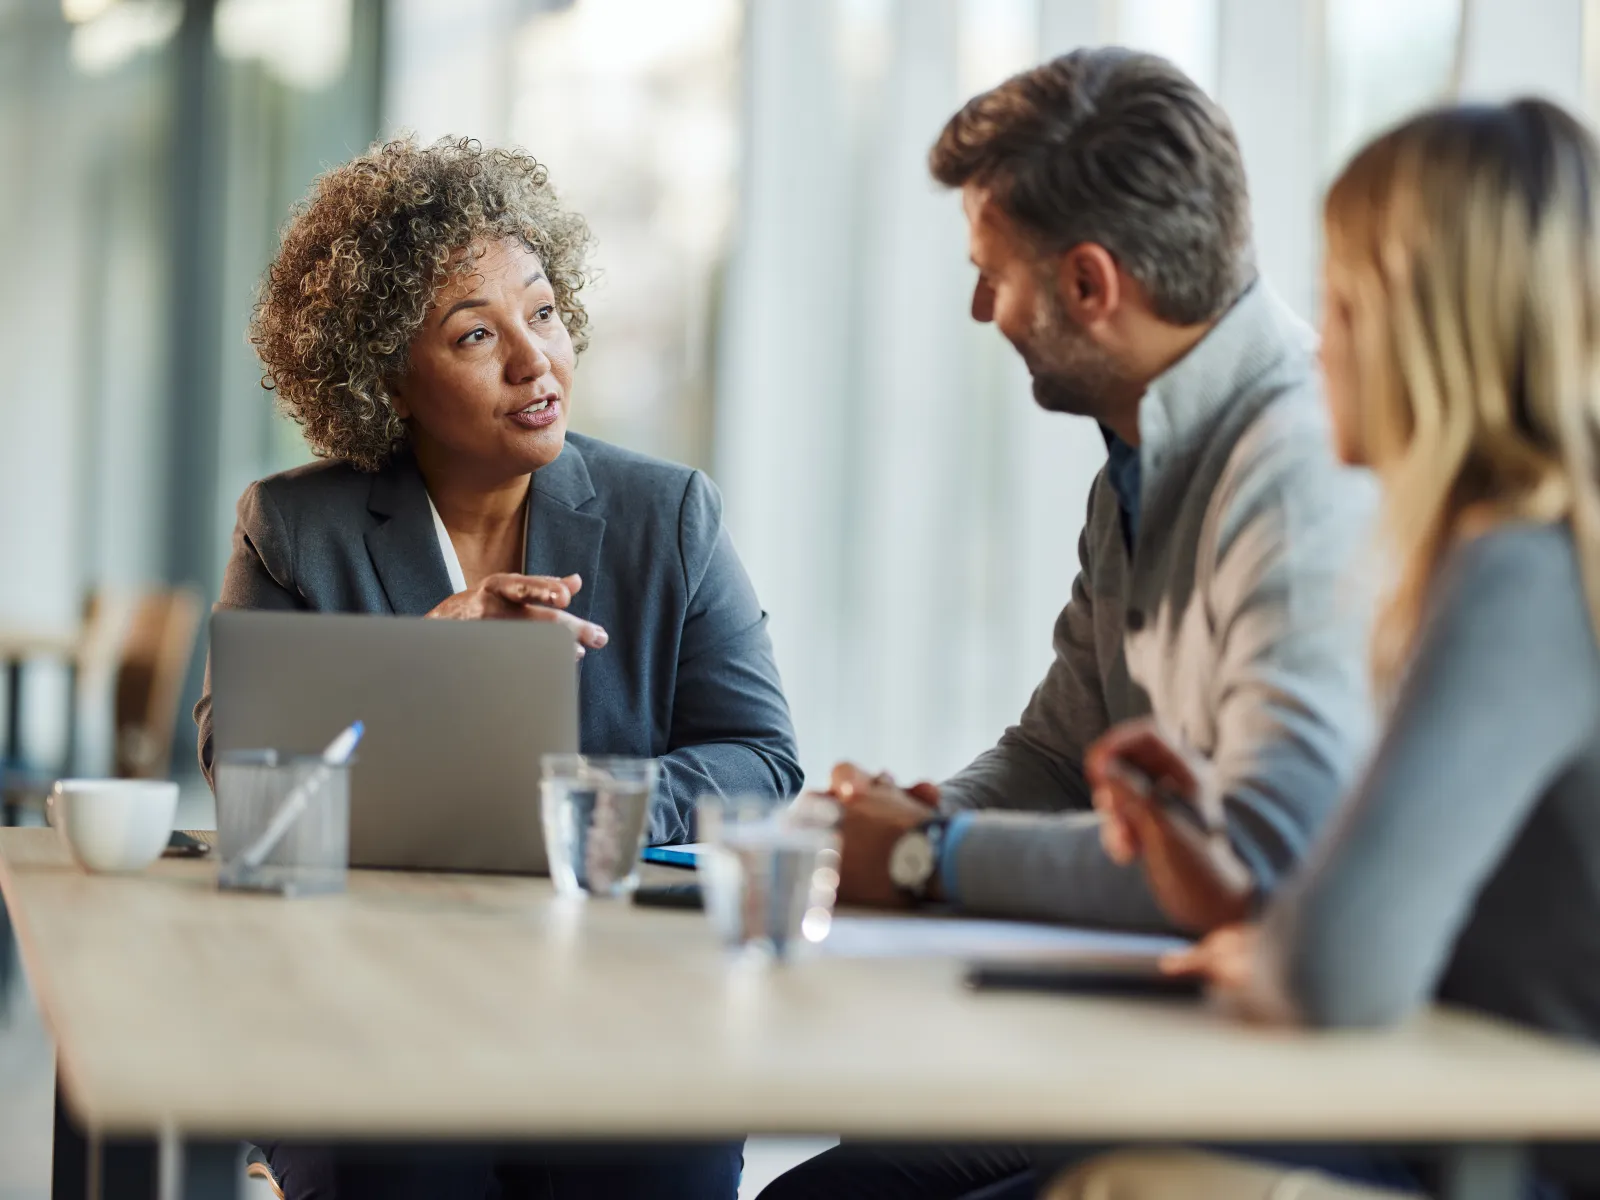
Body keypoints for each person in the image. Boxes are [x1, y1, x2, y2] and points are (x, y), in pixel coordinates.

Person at [761, 47, 1376, 1200]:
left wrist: (921, 856)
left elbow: (1261, 854)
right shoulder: (1142, 452)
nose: (978, 307)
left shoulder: (1297, 476)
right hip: (1158, 1038)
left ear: (1091, 284)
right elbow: (1056, 750)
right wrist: (912, 814)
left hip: (1289, 1084)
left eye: (991, 273)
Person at [195, 136, 801, 1200]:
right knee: (407, 1162)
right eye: (477, 335)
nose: (536, 362)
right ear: (384, 373)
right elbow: (247, 769)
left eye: (546, 314)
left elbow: (761, 761)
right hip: (367, 1006)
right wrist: (431, 655)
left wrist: (583, 811)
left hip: (619, 1006)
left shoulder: (671, 517)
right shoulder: (294, 524)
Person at [1053, 97, 1600, 1199]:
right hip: (1455, 1119)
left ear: (1423, 330)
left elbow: (1343, 968)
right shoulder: (1512, 557)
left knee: (1117, 1184)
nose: (1320, 346)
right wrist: (1231, 897)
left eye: (1344, 303)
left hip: (1508, 1157)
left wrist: (1279, 951)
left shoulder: (1518, 576)